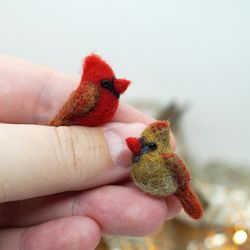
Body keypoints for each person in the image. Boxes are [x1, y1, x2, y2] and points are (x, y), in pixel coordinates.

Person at [0, 55, 181, 250]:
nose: (115, 86)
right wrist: (63, 142)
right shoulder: (89, 93)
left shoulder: (108, 95)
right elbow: (67, 116)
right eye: (107, 83)